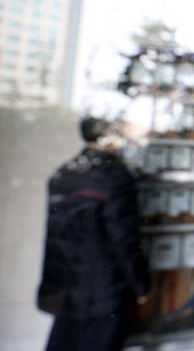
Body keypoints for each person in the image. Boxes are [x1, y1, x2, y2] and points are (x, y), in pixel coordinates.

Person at [37, 116, 150, 351]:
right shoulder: (113, 175)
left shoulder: (64, 172)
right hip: (103, 289)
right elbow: (125, 240)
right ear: (108, 136)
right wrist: (141, 285)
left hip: (68, 286)